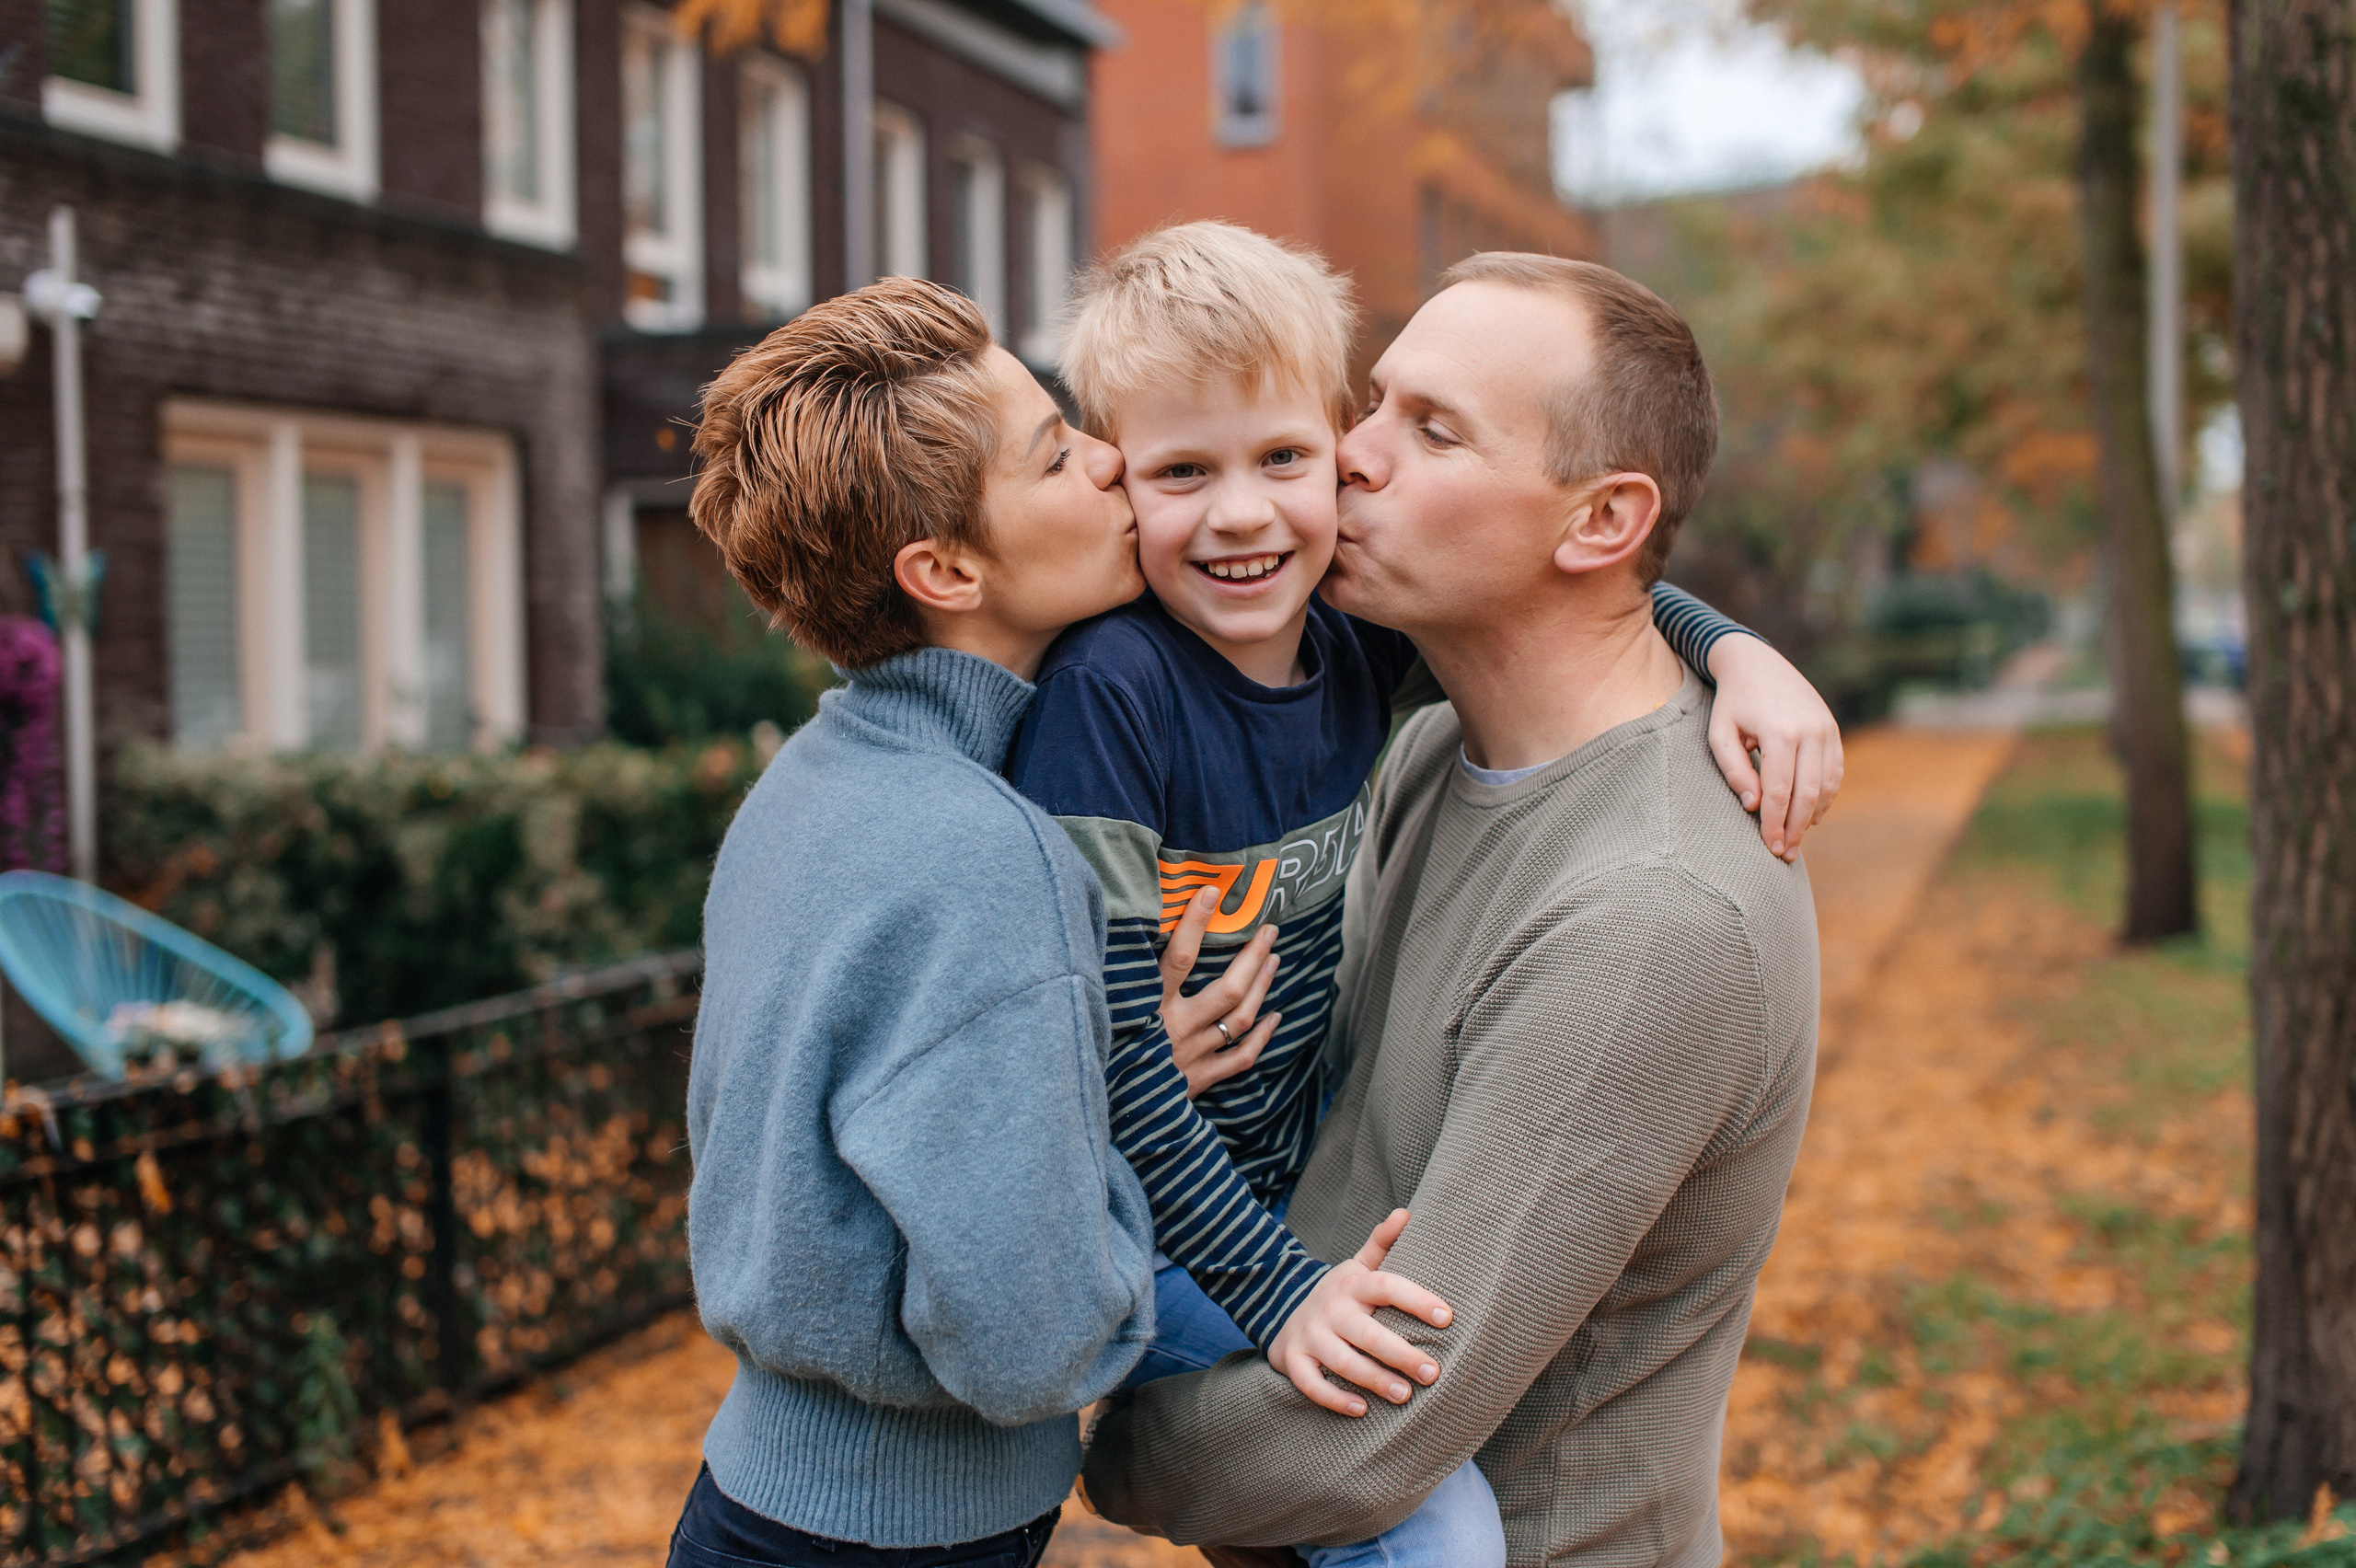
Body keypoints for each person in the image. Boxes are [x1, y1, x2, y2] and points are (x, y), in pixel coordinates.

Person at [1011, 226, 1834, 1566]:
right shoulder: (1437, 743)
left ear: (1602, 520)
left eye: (1432, 430)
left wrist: (1108, 1439)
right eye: (1373, 403)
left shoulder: (1654, 915)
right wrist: (1723, 636)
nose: (1350, 457)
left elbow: (1367, 1438)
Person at [666, 277, 1267, 1568]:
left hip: (764, 1507)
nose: (1114, 462)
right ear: (943, 569)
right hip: (894, 1544)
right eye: (1057, 454)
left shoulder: (804, 790)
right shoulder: (985, 849)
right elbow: (1033, 1341)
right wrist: (1106, 1122)